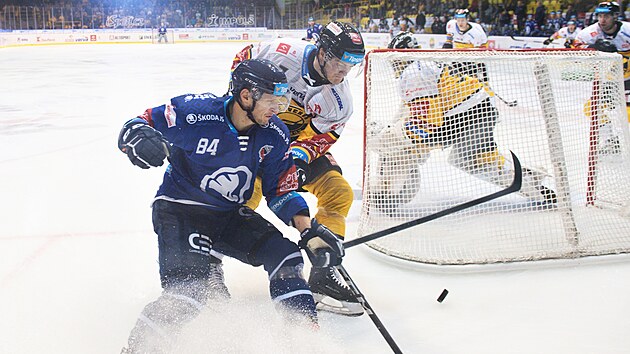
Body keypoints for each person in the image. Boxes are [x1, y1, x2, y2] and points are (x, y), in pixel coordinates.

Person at [117, 59, 345, 353]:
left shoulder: (274, 134)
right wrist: (137, 136)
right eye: (273, 101)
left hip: (227, 214)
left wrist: (308, 230)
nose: (280, 109)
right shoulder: (196, 113)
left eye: (283, 100)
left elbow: (281, 190)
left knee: (286, 257)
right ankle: (137, 350)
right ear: (247, 96)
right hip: (179, 209)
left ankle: (302, 341)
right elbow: (138, 123)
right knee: (188, 293)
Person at [230, 21, 366, 316]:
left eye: (352, 66)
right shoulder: (281, 52)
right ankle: (206, 266)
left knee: (338, 193)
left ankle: (322, 275)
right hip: (255, 135)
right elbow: (244, 59)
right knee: (237, 199)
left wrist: (298, 159)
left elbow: (324, 136)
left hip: (291, 146)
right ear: (324, 52)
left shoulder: (340, 100)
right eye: (341, 64)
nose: (344, 73)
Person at [368, 34, 558, 215]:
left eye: (396, 59)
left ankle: (389, 193)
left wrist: (400, 139)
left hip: (465, 115)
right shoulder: (425, 63)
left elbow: (429, 121)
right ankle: (530, 179)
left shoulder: (414, 73)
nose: (394, 64)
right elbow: (414, 111)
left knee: (393, 142)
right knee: (469, 160)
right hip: (474, 109)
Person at [572, 1, 630, 153]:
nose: (602, 20)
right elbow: (574, 48)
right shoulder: (590, 33)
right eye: (600, 15)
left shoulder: (628, 31)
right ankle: (611, 142)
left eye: (606, 16)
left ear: (616, 17)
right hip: (612, 82)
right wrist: (592, 48)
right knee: (592, 108)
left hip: (629, 81)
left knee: (628, 114)